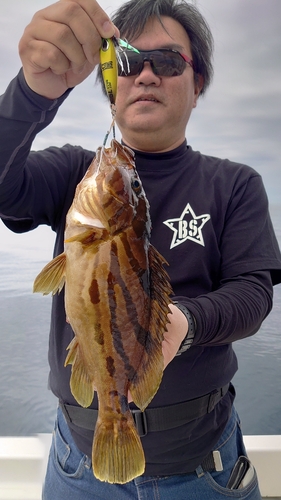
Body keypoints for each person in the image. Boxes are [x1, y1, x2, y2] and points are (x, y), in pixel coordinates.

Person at [0, 0, 281, 498]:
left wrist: (183, 325)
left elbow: (254, 294)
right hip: (74, 463)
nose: (146, 75)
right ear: (113, 82)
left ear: (197, 86)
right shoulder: (73, 172)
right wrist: (32, 92)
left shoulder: (235, 184)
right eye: (129, 62)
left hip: (203, 469)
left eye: (169, 62)